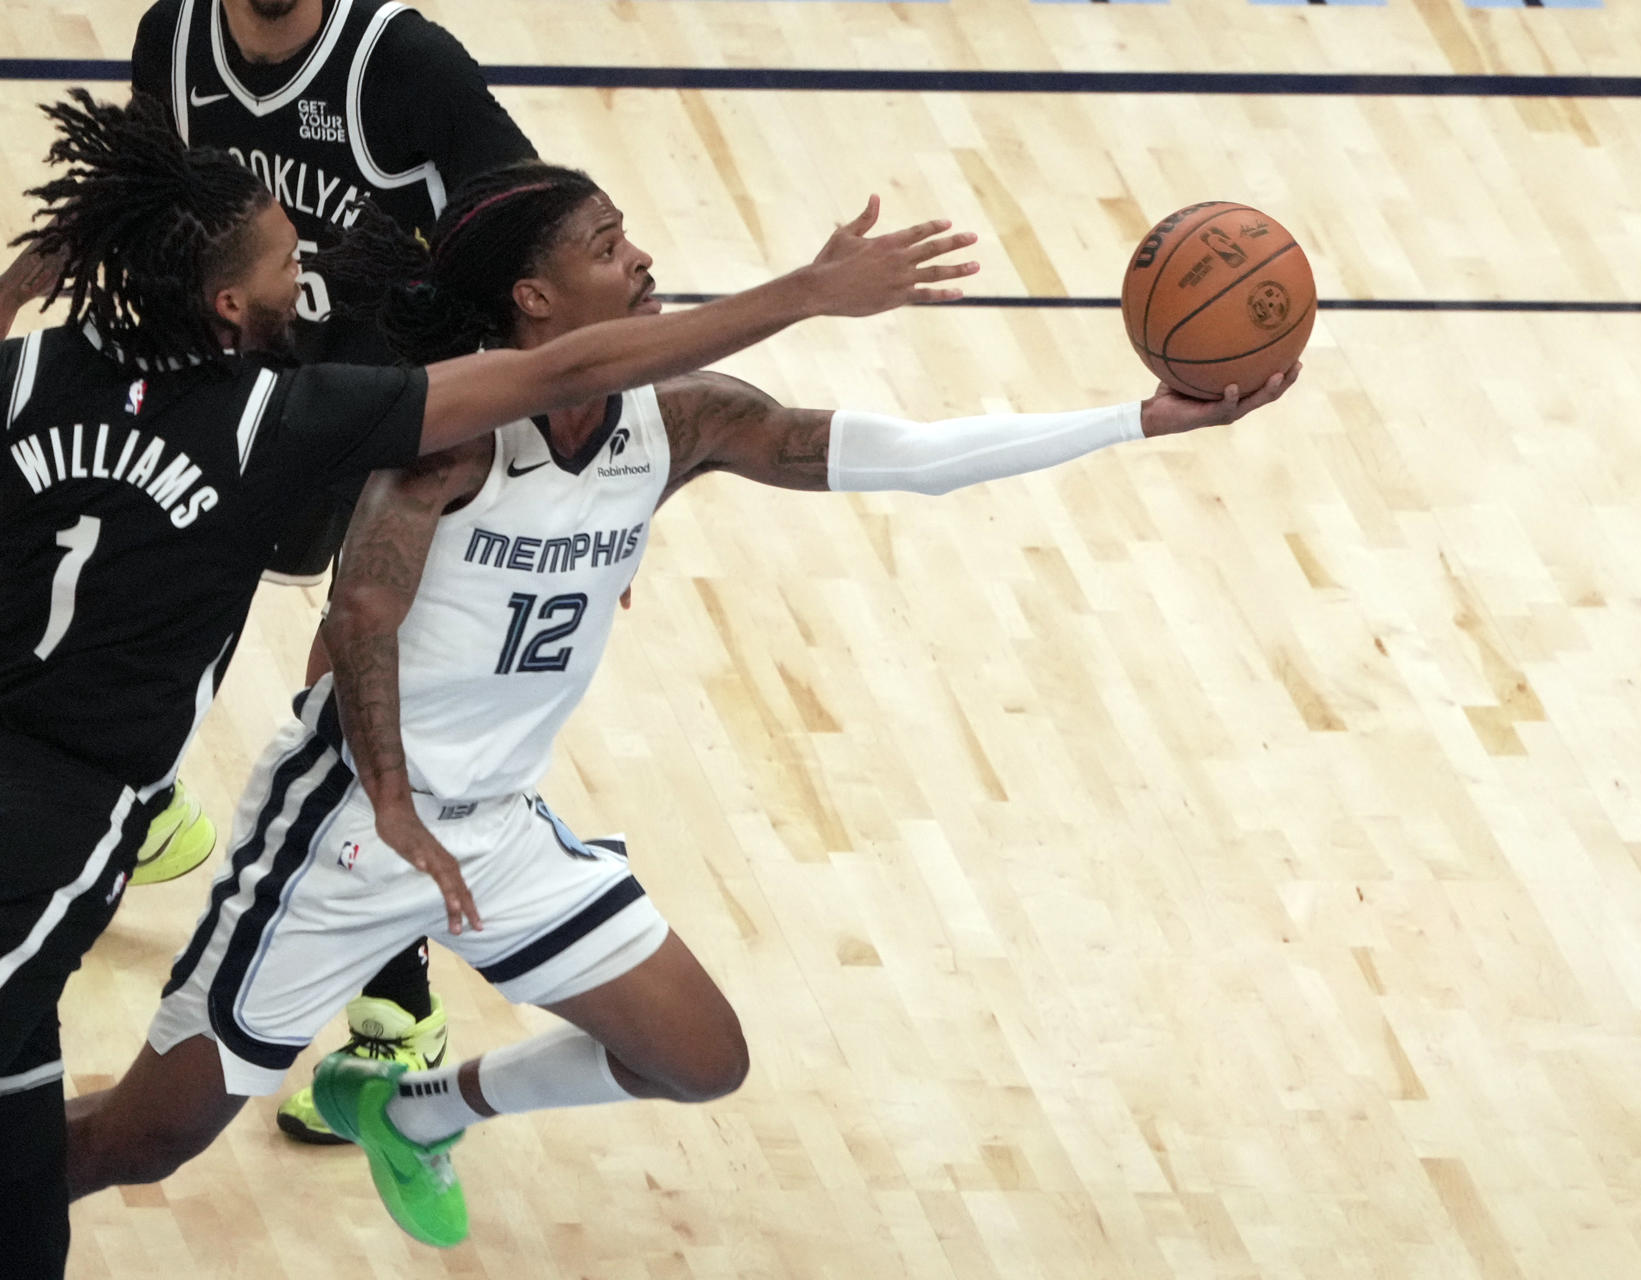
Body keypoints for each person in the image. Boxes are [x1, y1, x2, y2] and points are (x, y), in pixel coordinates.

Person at [62, 159, 1301, 1251]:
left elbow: (906, 456)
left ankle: (415, 1107)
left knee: (698, 1060)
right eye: (606, 246)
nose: (643, 254)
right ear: (535, 303)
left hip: (492, 825)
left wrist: (1139, 419)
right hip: (343, 830)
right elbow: (361, 617)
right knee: (145, 1138)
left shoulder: (680, 422)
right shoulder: (451, 436)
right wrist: (391, 800)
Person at [0, 91, 975, 1277]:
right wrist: (801, 293)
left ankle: (415, 1102)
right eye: (288, 266)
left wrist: (22, 284)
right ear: (226, 306)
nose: (304, 282)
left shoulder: (27, 371)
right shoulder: (284, 418)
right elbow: (570, 367)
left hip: (122, 789)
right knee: (53, 1168)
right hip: (58, 825)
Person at [119, 0, 542, 1106]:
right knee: (114, 595)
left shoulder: (405, 65)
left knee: (348, 708)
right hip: (236, 389)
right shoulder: (174, 37)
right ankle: (137, 796)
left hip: (385, 416)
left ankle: (396, 1015)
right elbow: (144, 218)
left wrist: (574, 467)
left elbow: (535, 239)